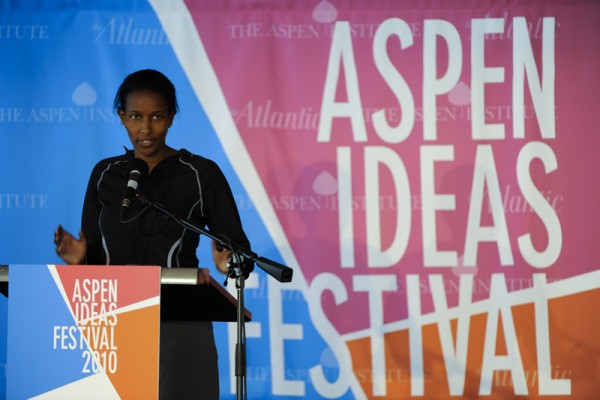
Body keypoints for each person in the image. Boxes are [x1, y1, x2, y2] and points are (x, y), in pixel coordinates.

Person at [53, 69, 253, 399]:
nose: (146, 129)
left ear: (172, 116)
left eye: (157, 117)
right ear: (122, 117)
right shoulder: (105, 174)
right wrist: (80, 260)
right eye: (135, 117)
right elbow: (93, 258)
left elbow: (239, 252)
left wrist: (228, 263)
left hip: (178, 325)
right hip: (111, 323)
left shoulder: (201, 174)